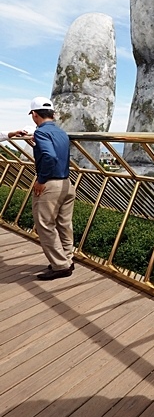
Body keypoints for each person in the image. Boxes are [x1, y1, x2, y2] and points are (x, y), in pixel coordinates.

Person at [29, 96, 76, 280]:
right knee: (64, 225)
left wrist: (41, 180)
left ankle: (60, 266)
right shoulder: (61, 133)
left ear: (34, 115)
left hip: (50, 185)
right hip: (67, 183)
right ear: (52, 114)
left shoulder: (41, 132)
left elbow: (49, 156)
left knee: (44, 225)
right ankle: (67, 259)